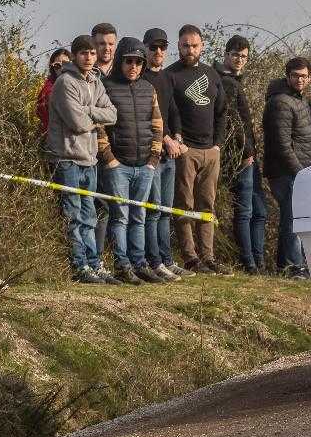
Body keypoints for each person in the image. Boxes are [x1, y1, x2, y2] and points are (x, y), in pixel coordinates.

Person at [47, 35, 118, 284]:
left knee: (89, 216)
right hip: (67, 159)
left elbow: (112, 114)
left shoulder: (96, 81)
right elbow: (77, 123)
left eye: (92, 53)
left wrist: (87, 110)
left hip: (90, 159)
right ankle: (80, 266)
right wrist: (94, 117)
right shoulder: (65, 82)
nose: (89, 57)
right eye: (83, 53)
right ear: (75, 56)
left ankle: (94, 263)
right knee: (74, 216)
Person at [96, 38, 165, 285]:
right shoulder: (106, 87)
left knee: (139, 216)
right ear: (120, 61)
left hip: (145, 165)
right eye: (128, 61)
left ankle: (139, 264)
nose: (133, 66)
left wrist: (153, 159)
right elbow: (99, 126)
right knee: (120, 217)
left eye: (138, 62)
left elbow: (157, 125)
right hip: (118, 166)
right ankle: (122, 265)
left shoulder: (149, 88)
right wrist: (109, 159)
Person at [167, 25, 231, 275]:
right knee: (185, 204)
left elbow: (222, 112)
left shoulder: (212, 74)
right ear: (178, 46)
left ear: (202, 46)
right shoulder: (171, 75)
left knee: (207, 204)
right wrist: (178, 141)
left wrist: (218, 144)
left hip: (210, 151)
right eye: (185, 45)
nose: (190, 50)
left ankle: (208, 256)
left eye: (194, 45)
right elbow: (168, 112)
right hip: (186, 150)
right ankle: (190, 258)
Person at [213, 35, 268, 275]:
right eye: (235, 55)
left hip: (249, 155)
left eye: (244, 56)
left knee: (260, 211)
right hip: (238, 157)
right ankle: (249, 263)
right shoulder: (225, 82)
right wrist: (245, 153)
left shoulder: (235, 80)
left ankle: (258, 260)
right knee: (245, 210)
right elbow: (233, 122)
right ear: (226, 54)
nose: (239, 60)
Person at [141, 28, 190, 281]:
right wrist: (166, 140)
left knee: (166, 210)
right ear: (145, 49)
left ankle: (167, 259)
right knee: (153, 210)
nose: (158, 51)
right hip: (152, 154)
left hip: (170, 154)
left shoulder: (168, 77)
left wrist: (178, 137)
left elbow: (173, 110)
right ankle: (155, 261)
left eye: (162, 47)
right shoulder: (141, 78)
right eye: (153, 47)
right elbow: (148, 116)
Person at [262, 57, 311, 279]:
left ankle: (288, 265)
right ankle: (294, 266)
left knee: (293, 218)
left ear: (309, 78)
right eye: (295, 76)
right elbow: (282, 145)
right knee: (293, 220)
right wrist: (300, 172)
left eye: (304, 76)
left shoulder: (298, 99)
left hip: (296, 170)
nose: (300, 80)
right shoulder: (282, 102)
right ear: (287, 76)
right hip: (286, 172)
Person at [90, 22, 118, 254]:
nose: (106, 48)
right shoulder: (88, 74)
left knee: (120, 205)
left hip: (122, 148)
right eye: (101, 43)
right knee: (100, 204)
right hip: (95, 150)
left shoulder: (124, 70)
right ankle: (97, 255)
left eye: (110, 43)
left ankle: (118, 255)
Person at [36, 48, 71, 137]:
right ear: (52, 68)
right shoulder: (48, 91)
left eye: (66, 64)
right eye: (57, 66)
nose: (62, 69)